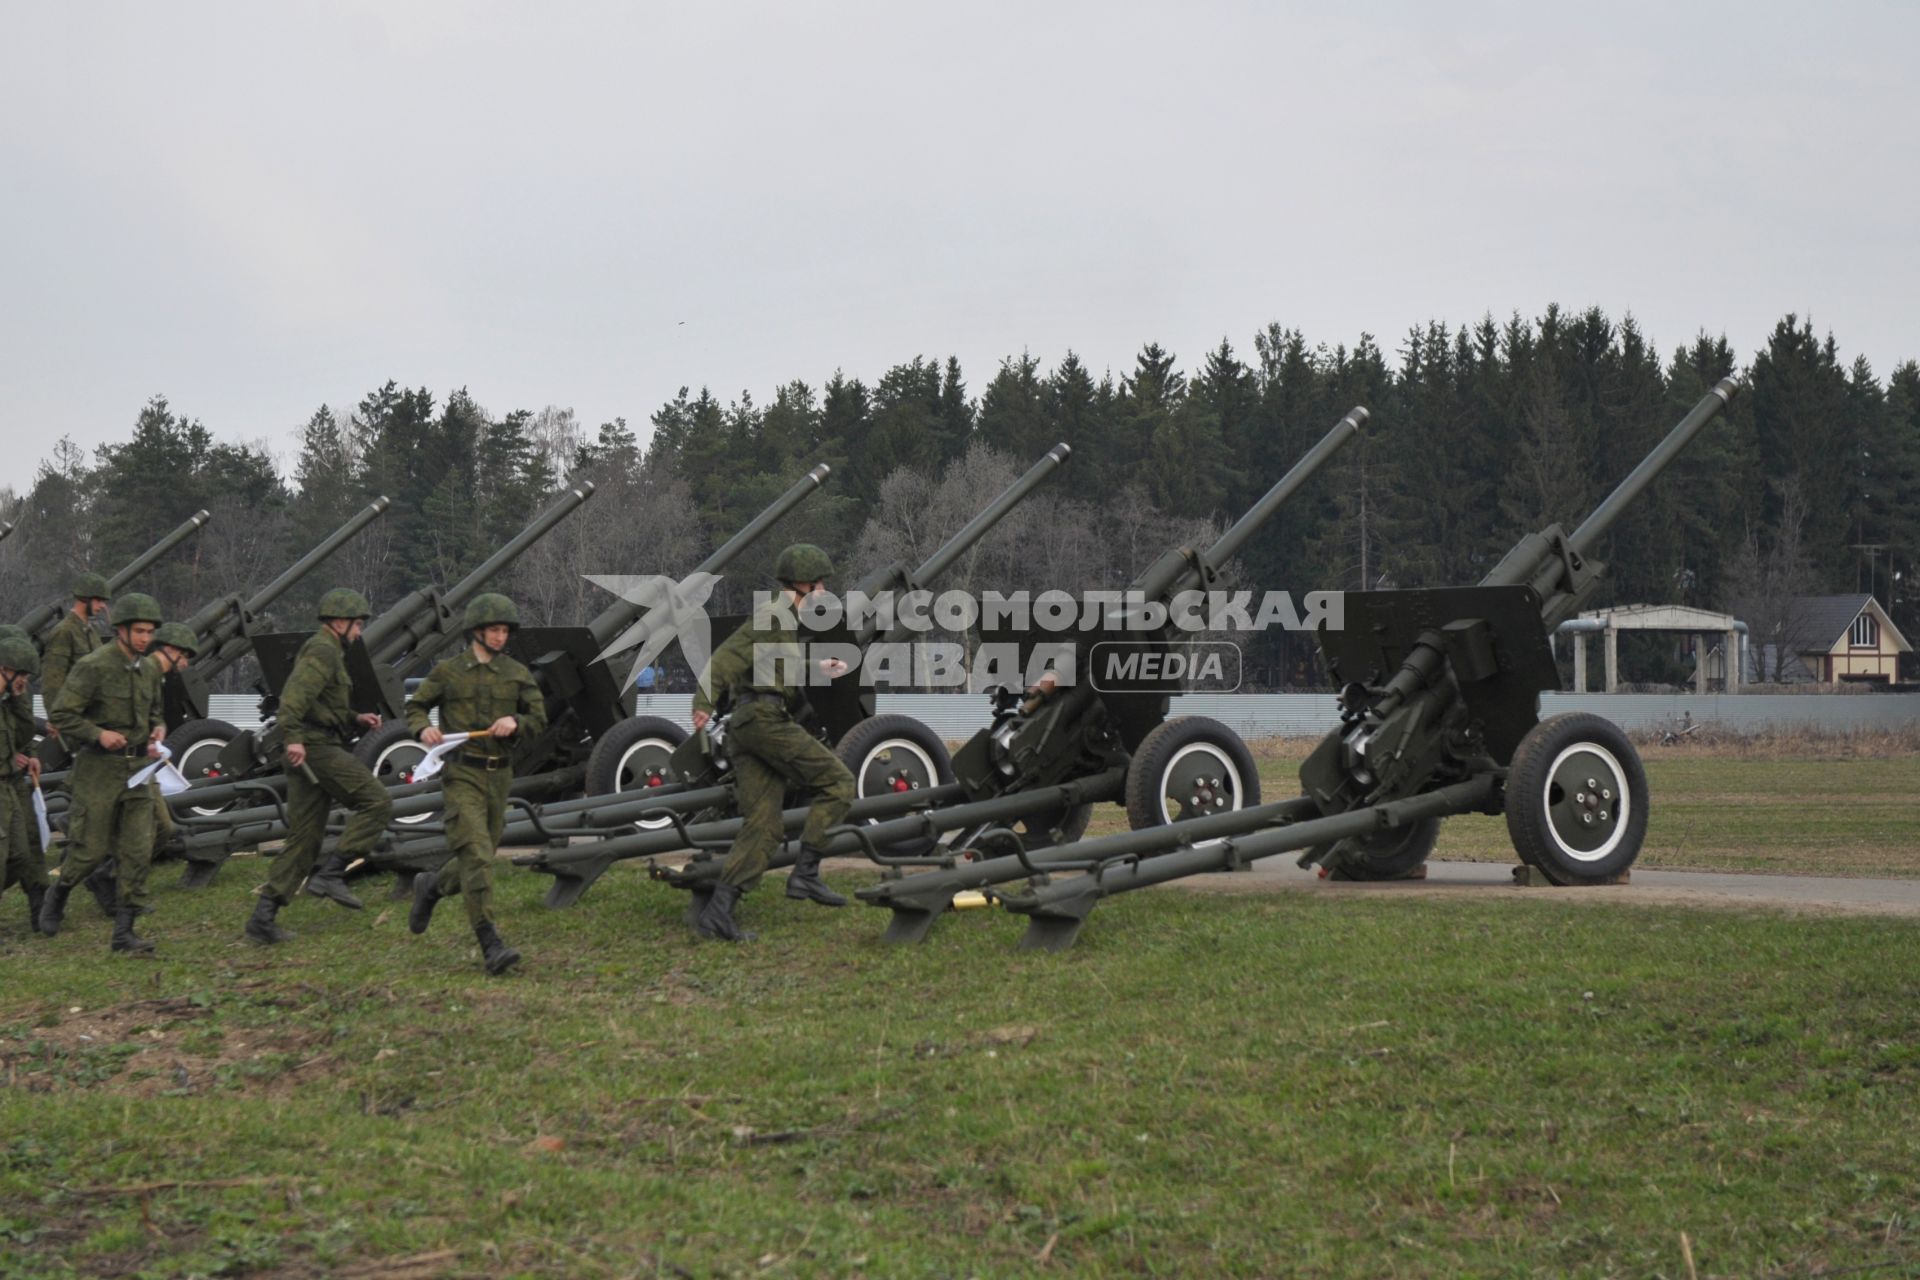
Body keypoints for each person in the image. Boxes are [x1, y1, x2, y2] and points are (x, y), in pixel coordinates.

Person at [688, 542, 855, 942]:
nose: (822, 593)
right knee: (839, 783)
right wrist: (703, 701)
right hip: (763, 720)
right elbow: (728, 656)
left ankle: (718, 914)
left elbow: (777, 662)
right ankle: (807, 873)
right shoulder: (772, 613)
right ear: (805, 585)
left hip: (747, 726)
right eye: (819, 585)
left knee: (763, 825)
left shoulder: (782, 620)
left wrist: (820, 666)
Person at [403, 594, 545, 974]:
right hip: (462, 773)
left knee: (476, 856)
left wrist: (516, 722)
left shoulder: (516, 673)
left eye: (504, 631)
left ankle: (431, 887)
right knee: (478, 854)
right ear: (477, 632)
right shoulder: (448, 672)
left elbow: (539, 718)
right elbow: (415, 706)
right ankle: (490, 942)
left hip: (500, 775)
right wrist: (424, 727)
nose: (500, 637)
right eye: (494, 630)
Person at [245, 590, 393, 945]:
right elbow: (293, 700)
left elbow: (319, 705)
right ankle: (332, 873)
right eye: (356, 625)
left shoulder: (331, 652)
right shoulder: (323, 650)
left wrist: (355, 717)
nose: (358, 632)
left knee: (305, 837)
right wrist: (293, 737)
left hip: (314, 743)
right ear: (339, 623)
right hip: (315, 748)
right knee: (377, 802)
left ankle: (263, 918)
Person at [38, 593, 167, 952]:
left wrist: (158, 728)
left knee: (138, 849)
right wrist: (98, 734)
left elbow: (155, 710)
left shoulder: (150, 669)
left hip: (138, 771)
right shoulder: (94, 666)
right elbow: (62, 713)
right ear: (121, 630)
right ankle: (59, 893)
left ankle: (124, 932)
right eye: (139, 631)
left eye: (150, 631)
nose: (145, 638)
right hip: (98, 771)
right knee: (89, 851)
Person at [39, 572, 118, 916]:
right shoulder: (64, 633)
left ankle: (76, 833)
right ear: (84, 599)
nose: (102, 606)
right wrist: (60, 721)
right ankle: (74, 833)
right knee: (89, 789)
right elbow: (53, 683)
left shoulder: (88, 632)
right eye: (98, 600)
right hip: (79, 725)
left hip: (95, 722)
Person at [0, 636, 48, 930]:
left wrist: (16, 698)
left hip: (8, 784)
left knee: (19, 855)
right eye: (22, 676)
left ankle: (39, 904)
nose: (25, 683)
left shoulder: (8, 703)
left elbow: (22, 733)